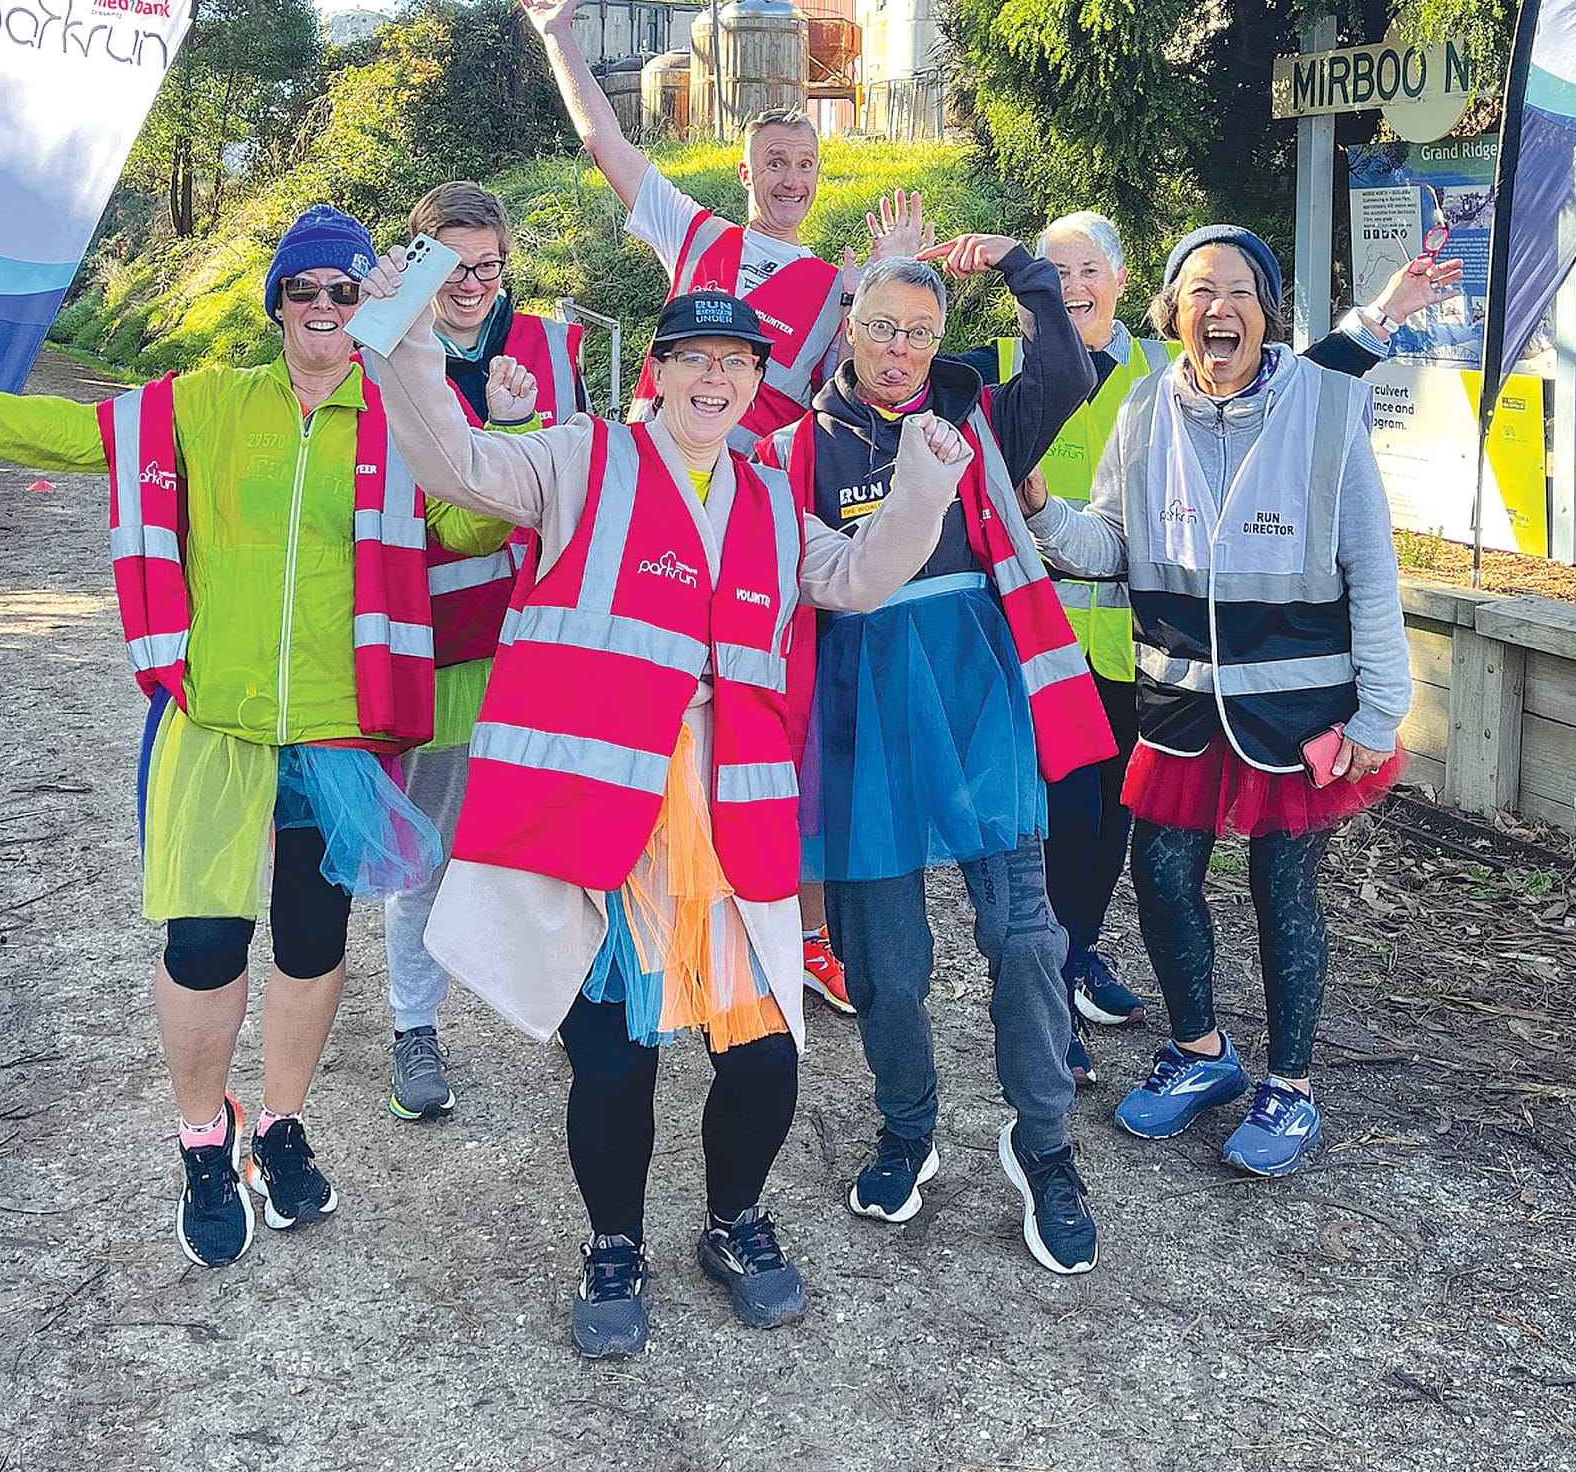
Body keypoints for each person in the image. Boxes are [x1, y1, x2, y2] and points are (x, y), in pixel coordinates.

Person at [0, 204, 509, 1268]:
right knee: (203, 944)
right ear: (277, 304)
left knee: (310, 941)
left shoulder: (402, 416)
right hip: (215, 717)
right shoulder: (208, 403)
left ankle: (282, 1129)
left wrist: (514, 438)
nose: (328, 310)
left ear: (372, 305)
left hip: (340, 729)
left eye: (348, 291)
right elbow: (74, 437)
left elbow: (474, 520)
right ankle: (205, 1139)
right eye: (307, 291)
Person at [365, 273, 970, 1358]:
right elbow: (452, 460)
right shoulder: (577, 456)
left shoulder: (771, 495)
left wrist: (923, 487)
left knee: (763, 1061)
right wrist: (406, 341)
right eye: (693, 355)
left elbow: (855, 578)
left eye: (736, 361)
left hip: (730, 822)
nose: (716, 375)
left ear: (752, 384)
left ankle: (733, 1221)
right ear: (656, 369)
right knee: (612, 1062)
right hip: (599, 823)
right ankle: (612, 1242)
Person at [957, 211, 1460, 1085]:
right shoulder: (1147, 406)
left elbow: (1372, 570)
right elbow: (1113, 546)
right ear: (1172, 312)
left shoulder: (1322, 405)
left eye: (1238, 293)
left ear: (1266, 311)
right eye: (1200, 292)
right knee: (1158, 876)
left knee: (1282, 892)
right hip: (1180, 703)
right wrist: (1041, 512)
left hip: (1298, 705)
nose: (1218, 309)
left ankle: (1290, 1084)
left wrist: (1382, 711)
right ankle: (1199, 1052)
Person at [519, 0, 924, 1015]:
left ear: (819, 174)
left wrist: (889, 278)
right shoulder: (696, 238)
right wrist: (561, 37)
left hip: (757, 521)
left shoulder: (839, 288)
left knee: (766, 717)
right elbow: (608, 144)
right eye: (774, 162)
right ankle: (616, 885)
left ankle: (791, 926)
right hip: (660, 494)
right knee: (636, 692)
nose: (789, 178)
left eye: (804, 164)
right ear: (745, 168)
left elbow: (876, 373)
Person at [760, 237, 1113, 1277]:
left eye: (919, 332)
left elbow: (1062, 367)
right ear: (848, 332)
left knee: (1021, 933)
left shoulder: (976, 420)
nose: (900, 349)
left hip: (975, 694)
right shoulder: (793, 450)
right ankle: (904, 1125)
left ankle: (1043, 1144)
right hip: (859, 709)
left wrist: (1017, 264)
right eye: (881, 328)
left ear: (938, 340)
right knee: (885, 960)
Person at [385, 181, 590, 1122]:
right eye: (453, 267)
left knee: (551, 834)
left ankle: (569, 1009)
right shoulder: (382, 347)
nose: (473, 286)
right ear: (420, 262)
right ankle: (413, 1024)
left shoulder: (548, 343)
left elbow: (583, 473)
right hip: (438, 636)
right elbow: (414, 509)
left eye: (489, 267)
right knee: (427, 844)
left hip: (543, 635)